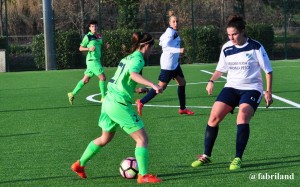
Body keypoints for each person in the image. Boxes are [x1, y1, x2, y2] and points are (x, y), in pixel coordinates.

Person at [71, 32, 163, 184]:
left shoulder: (127, 57)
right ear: (146, 46)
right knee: (142, 139)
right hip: (118, 104)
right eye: (152, 48)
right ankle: (143, 175)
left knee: (104, 138)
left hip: (108, 101)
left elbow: (121, 80)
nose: (152, 51)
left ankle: (79, 164)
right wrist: (153, 85)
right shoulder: (138, 59)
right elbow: (133, 74)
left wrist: (136, 90)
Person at [191, 14, 273, 171]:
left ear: (242, 31)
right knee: (213, 117)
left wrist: (268, 91)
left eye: (234, 34)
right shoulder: (227, 47)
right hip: (231, 87)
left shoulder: (256, 47)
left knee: (242, 117)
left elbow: (268, 71)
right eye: (229, 35)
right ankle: (206, 156)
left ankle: (237, 158)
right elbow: (220, 69)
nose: (231, 38)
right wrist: (211, 80)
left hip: (252, 88)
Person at [135, 15, 194, 116]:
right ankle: (141, 102)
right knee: (160, 87)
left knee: (182, 83)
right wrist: (178, 50)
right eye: (173, 21)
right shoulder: (170, 32)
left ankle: (182, 108)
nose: (176, 23)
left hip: (174, 64)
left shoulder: (170, 32)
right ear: (169, 23)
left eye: (177, 21)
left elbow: (161, 41)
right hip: (168, 65)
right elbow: (165, 48)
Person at [68, 20, 108, 105]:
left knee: (85, 80)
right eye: (92, 26)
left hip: (96, 60)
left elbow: (100, 45)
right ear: (90, 28)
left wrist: (105, 46)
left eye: (95, 26)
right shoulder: (88, 37)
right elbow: (81, 48)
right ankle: (103, 97)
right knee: (102, 78)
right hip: (92, 60)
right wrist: (89, 49)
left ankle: (72, 94)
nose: (94, 28)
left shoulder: (99, 36)